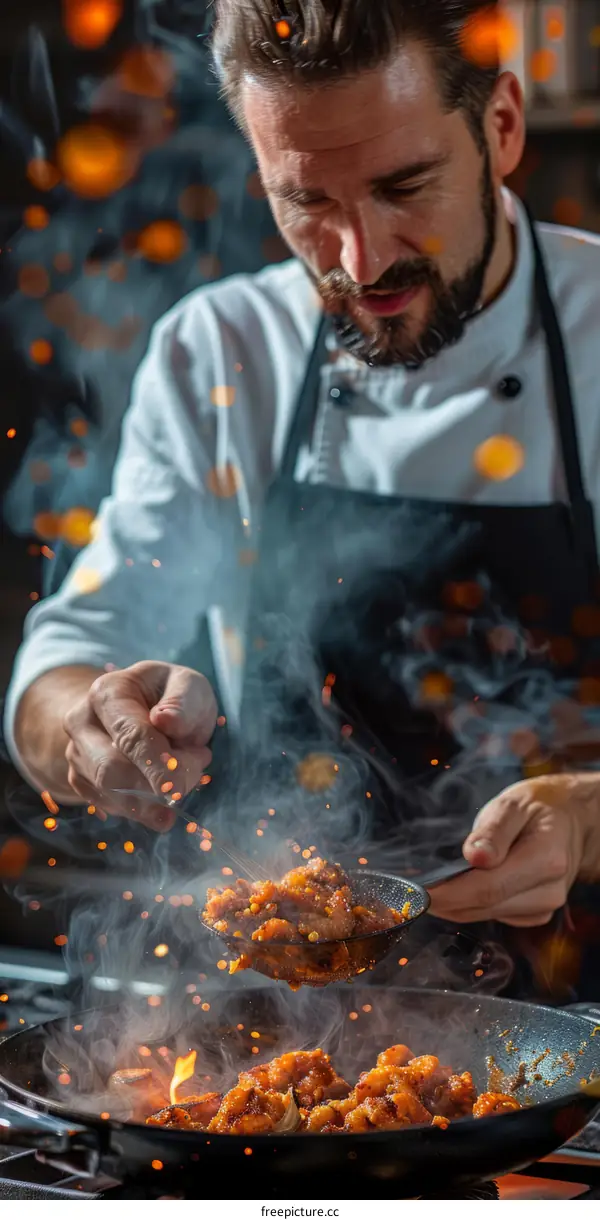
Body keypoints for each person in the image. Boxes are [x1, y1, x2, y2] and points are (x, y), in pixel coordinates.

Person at [5, 0, 600, 934]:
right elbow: (66, 662)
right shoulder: (219, 351)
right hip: (309, 989)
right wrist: (97, 725)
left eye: (406, 186)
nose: (361, 261)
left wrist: (591, 818)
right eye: (308, 203)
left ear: (503, 126)